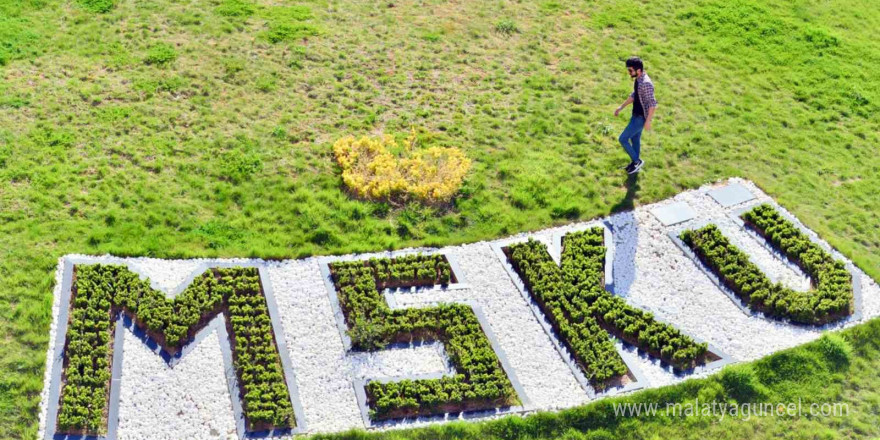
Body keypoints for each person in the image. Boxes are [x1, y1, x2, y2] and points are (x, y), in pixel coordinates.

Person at [613, 57, 657, 174]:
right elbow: (634, 95)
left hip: (640, 118)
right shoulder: (638, 79)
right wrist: (621, 107)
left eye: (630, 70)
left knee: (622, 139)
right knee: (635, 138)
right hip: (635, 115)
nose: (629, 73)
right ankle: (635, 164)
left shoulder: (646, 83)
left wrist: (648, 121)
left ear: (638, 70)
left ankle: (637, 161)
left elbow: (653, 104)